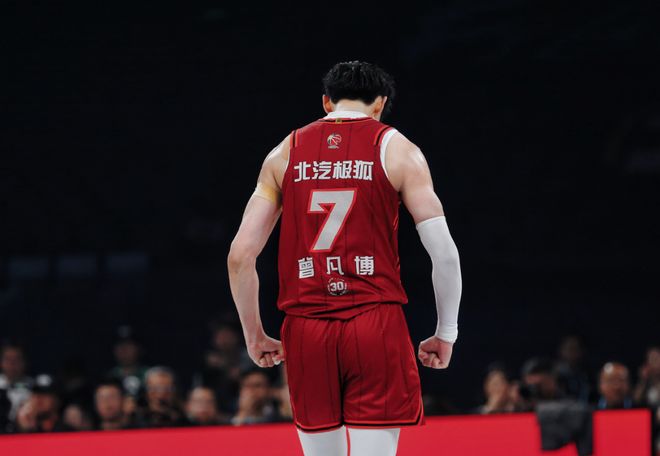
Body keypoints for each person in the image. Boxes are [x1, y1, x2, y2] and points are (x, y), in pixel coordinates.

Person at [227, 61, 462, 455]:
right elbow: (445, 254)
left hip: (306, 328)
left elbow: (240, 256)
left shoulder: (284, 153)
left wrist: (255, 335)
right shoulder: (399, 150)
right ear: (380, 104)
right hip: (374, 322)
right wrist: (446, 332)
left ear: (326, 102)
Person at [0, 342, 33, 424]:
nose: (12, 364)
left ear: (24, 362)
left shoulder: (34, 387)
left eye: (17, 359)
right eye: (7, 359)